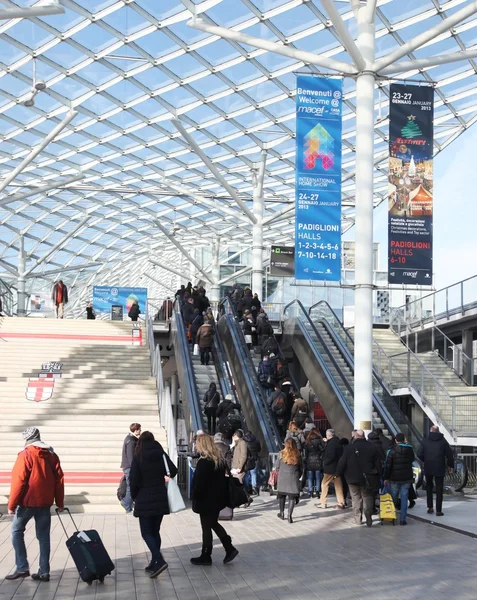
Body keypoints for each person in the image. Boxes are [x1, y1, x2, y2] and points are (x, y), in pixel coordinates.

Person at [6, 427, 64, 582]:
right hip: (45, 503)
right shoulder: (51, 455)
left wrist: (12, 505)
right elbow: (59, 480)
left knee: (16, 532)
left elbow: (19, 481)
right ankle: (44, 571)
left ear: (27, 440)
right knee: (44, 537)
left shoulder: (25, 455)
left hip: (27, 502)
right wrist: (59, 503)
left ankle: (22, 567)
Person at [129, 431, 177, 578]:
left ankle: (159, 559)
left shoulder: (139, 456)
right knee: (155, 531)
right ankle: (154, 562)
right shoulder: (160, 454)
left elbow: (133, 479)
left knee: (146, 532)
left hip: (144, 498)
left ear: (140, 442)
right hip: (160, 497)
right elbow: (173, 470)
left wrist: (134, 496)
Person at [190, 434, 239, 566]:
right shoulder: (219, 460)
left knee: (207, 526)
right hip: (217, 499)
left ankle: (207, 554)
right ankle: (228, 548)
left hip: (205, 500)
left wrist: (195, 496)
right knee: (213, 524)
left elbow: (199, 484)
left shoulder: (204, 462)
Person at [336, 430, 382, 526]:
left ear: (355, 436)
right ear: (364, 436)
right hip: (369, 478)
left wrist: (338, 473)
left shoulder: (349, 448)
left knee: (356, 498)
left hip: (352, 478)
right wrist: (381, 475)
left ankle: (357, 519)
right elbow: (378, 464)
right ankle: (369, 519)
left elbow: (342, 462)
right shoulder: (372, 447)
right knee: (368, 497)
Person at [418, 425, 454, 516]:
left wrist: (425, 460)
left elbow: (419, 454)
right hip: (440, 467)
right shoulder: (443, 441)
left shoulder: (425, 441)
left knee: (429, 486)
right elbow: (450, 454)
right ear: (438, 431)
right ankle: (438, 510)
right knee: (439, 489)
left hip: (428, 466)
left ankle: (430, 507)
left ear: (430, 431)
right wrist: (450, 465)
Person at [383, 432, 415, 525]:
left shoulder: (391, 450)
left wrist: (386, 477)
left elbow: (388, 466)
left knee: (393, 498)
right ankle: (403, 519)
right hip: (406, 478)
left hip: (394, 478)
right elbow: (412, 460)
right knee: (404, 498)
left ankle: (392, 517)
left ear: (396, 440)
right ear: (404, 439)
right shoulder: (410, 449)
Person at [275, 438, 303, 524]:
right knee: (292, 497)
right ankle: (289, 515)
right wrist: (298, 475)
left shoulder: (281, 454)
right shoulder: (298, 455)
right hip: (293, 477)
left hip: (283, 477)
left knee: (282, 495)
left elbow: (277, 466)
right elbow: (301, 468)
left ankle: (281, 513)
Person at [319, 429, 345, 510]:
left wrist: (325, 462)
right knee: (338, 486)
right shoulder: (337, 441)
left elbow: (330, 455)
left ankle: (323, 502)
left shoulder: (331, 444)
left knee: (324, 484)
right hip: (337, 467)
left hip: (330, 468)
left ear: (329, 435)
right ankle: (341, 502)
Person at [120, 423, 142, 514]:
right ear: (136, 430)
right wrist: (134, 468)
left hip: (129, 467)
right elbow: (130, 457)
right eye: (140, 429)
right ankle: (126, 504)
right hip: (129, 467)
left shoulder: (131, 439)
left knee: (132, 486)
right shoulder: (130, 440)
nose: (140, 431)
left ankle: (128, 503)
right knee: (130, 487)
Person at [304, 429, 325, 498]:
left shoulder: (307, 441)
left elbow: (306, 453)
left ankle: (310, 492)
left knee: (310, 478)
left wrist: (306, 460)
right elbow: (322, 450)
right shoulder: (319, 441)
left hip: (309, 461)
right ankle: (318, 492)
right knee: (318, 478)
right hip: (318, 460)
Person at [243, 431, 261, 496]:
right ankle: (254, 486)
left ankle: (247, 488)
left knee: (247, 474)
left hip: (246, 460)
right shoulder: (256, 441)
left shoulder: (244, 442)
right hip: (255, 458)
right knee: (253, 473)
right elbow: (259, 449)